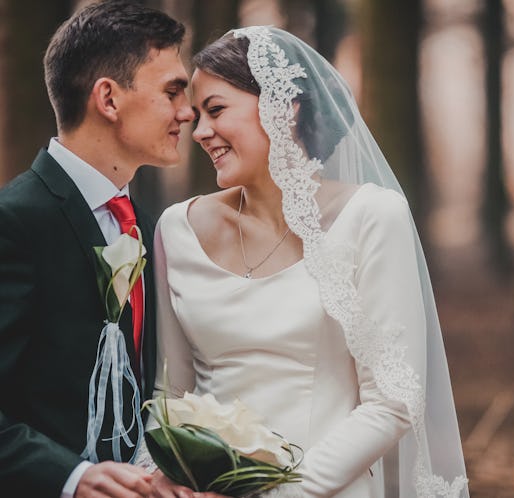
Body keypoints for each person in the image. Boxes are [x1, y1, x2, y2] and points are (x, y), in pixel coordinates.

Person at [153, 26, 469, 498]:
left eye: (216, 110)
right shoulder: (175, 229)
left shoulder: (372, 217)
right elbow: (171, 395)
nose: (199, 132)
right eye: (196, 116)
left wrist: (279, 492)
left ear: (284, 109)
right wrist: (158, 479)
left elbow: (394, 399)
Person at [0, 1, 197, 497]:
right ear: (108, 99)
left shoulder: (150, 228)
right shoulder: (15, 222)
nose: (188, 112)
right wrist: (71, 477)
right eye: (172, 91)